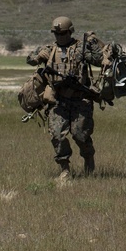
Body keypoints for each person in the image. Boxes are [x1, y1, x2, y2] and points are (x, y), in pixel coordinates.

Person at [26, 16, 104, 180]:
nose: (60, 37)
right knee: (57, 135)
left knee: (80, 135)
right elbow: (30, 60)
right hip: (58, 101)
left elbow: (99, 60)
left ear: (70, 32)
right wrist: (38, 56)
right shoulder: (49, 50)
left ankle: (89, 159)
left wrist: (93, 44)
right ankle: (65, 169)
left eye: (63, 34)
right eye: (57, 34)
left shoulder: (80, 49)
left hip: (80, 100)